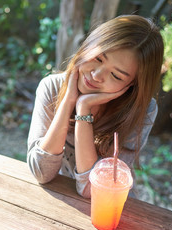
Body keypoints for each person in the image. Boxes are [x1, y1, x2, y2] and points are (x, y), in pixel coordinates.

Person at [27, 15, 164, 198]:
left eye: (116, 76)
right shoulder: (51, 87)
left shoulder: (141, 110)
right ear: (88, 44)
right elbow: (41, 173)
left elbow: (91, 191)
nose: (97, 75)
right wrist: (68, 102)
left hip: (109, 210)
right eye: (98, 58)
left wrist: (83, 108)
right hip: (61, 199)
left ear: (132, 84)